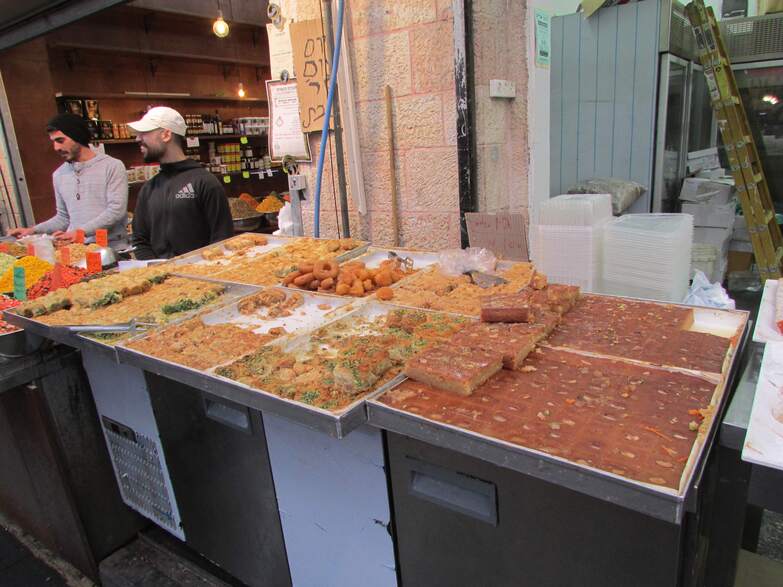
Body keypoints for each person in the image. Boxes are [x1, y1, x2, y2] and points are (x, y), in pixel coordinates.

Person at [6, 113, 128, 247]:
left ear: (77, 137)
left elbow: (116, 211)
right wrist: (32, 230)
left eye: (60, 140)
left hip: (112, 248)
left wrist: (80, 232)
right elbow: (63, 218)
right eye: (53, 141)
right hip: (77, 250)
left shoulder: (112, 166)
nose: (56, 148)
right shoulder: (59, 174)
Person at [127, 106, 233, 260]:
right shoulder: (148, 188)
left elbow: (222, 238)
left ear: (166, 134)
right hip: (163, 280)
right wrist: (158, 271)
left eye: (144, 133)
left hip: (202, 279)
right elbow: (140, 240)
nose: (138, 138)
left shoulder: (205, 182)